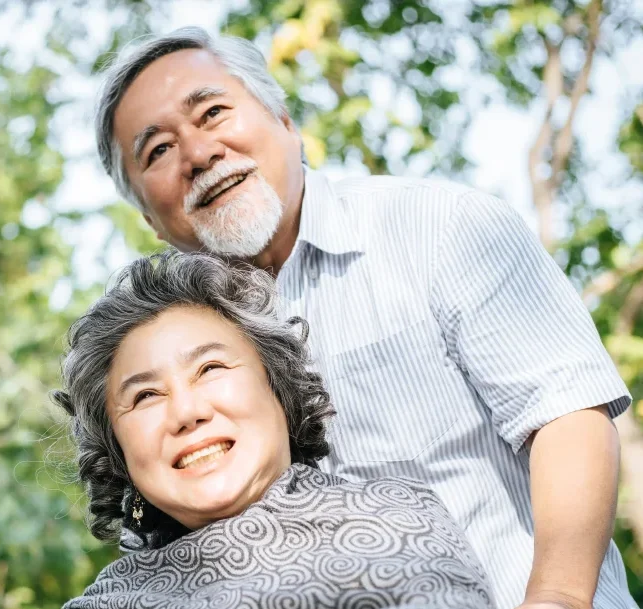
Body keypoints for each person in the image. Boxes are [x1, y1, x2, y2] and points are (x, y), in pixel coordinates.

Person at [91, 27, 637, 609]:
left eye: (213, 113)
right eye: (159, 151)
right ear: (149, 220)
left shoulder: (442, 227)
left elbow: (566, 414)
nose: (199, 155)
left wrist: (556, 598)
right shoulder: (171, 359)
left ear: (283, 119)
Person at [55, 250, 495, 609]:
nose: (186, 412)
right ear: (118, 453)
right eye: (146, 396)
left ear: (278, 389)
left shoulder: (398, 519)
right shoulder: (104, 602)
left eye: (210, 368)